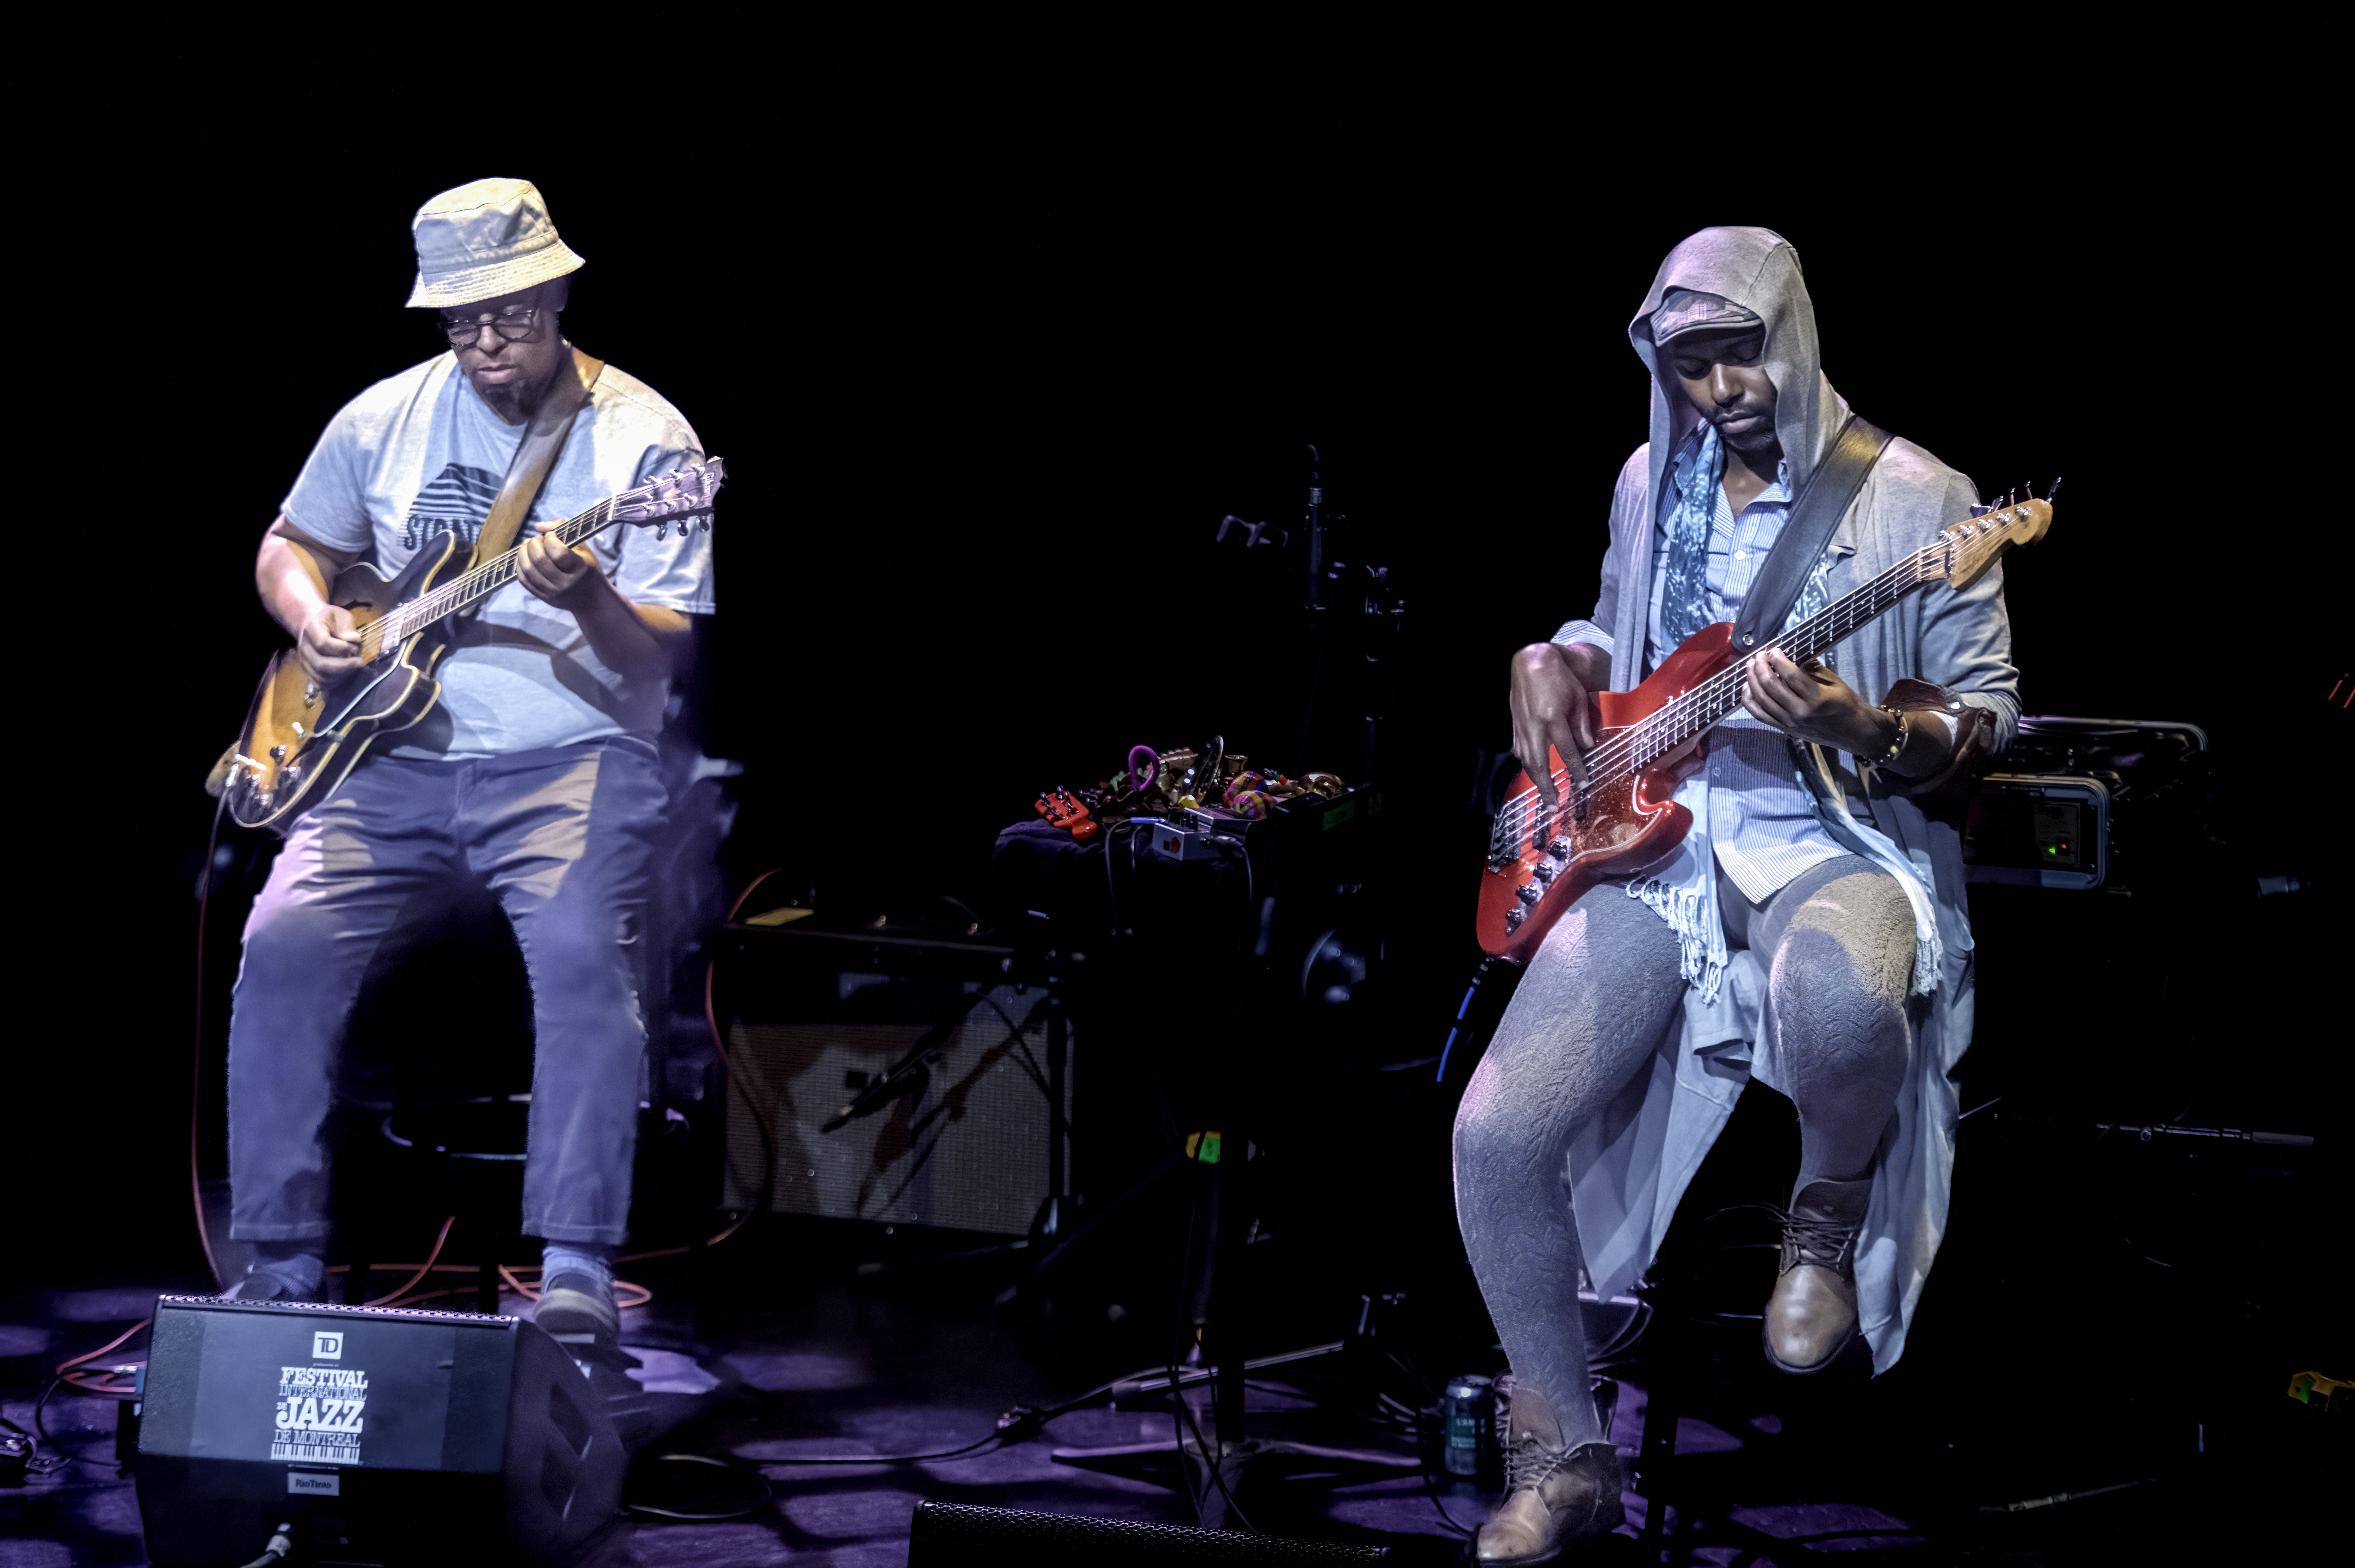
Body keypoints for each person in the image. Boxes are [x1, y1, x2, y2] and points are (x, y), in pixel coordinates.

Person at [1453, 226, 2019, 1562]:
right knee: (1492, 1135)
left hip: (1838, 835)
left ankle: (1824, 1214)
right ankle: (1568, 1458)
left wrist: (1857, 723)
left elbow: (1982, 720)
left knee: (1833, 996)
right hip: (1664, 841)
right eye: (1689, 365)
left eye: (1736, 355)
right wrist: (1552, 650)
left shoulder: (1919, 498)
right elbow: (1624, 632)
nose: (1716, 389)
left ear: (1792, 333)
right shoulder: (1653, 474)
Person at [223, 178, 717, 1359]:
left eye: (509, 314)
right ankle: (282, 1262)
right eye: (459, 322)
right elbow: (289, 546)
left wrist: (588, 591)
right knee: (279, 942)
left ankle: (576, 1267)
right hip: (386, 760)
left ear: (556, 288)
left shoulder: (647, 440)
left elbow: (660, 668)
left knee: (586, 965)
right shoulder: (382, 417)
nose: (487, 344)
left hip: (569, 760)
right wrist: (309, 621)